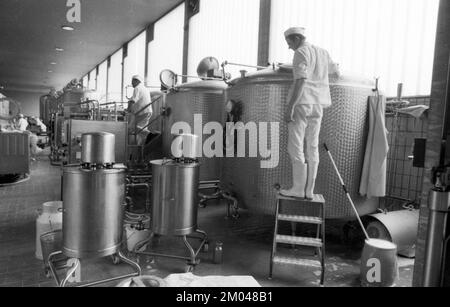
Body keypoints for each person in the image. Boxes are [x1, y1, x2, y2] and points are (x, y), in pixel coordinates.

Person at [280, 27, 340, 200]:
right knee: (312, 146)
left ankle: (298, 189)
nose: (289, 47)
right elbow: (336, 72)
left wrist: (290, 106)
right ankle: (309, 191)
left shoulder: (301, 52)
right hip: (318, 104)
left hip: (301, 103)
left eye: (289, 42)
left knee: (296, 146)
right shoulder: (322, 52)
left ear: (297, 38)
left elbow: (301, 80)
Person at [127, 75, 152, 145]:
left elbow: (133, 100)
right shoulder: (145, 88)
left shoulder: (137, 88)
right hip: (147, 111)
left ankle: (150, 134)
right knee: (140, 132)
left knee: (131, 127)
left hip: (142, 112)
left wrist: (128, 110)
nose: (131, 83)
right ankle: (141, 147)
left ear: (137, 81)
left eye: (132, 82)